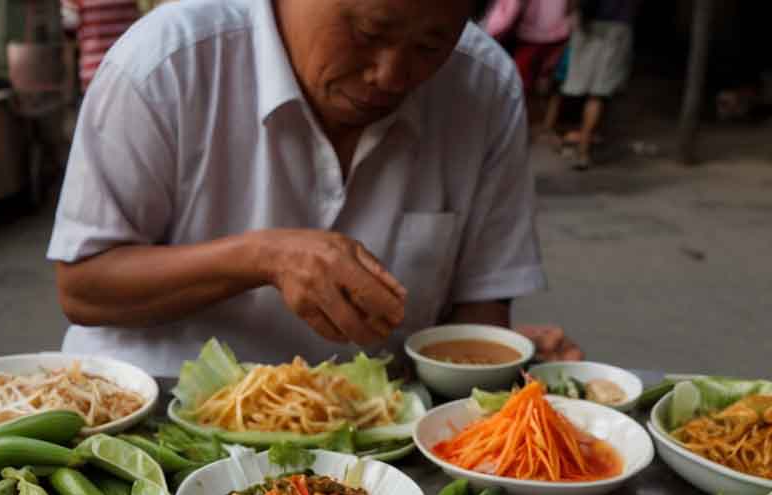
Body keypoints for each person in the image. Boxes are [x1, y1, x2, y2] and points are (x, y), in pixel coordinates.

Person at [49, 0, 580, 374]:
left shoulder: (483, 87)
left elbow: (481, 307)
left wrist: (496, 356)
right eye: (370, 32)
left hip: (374, 437)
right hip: (156, 420)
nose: (391, 75)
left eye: (430, 44)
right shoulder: (168, 63)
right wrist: (261, 256)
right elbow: (83, 287)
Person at [561, 0, 640, 170]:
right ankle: (584, 147)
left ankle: (583, 142)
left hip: (589, 24)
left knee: (583, 88)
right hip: (616, 26)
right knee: (599, 92)